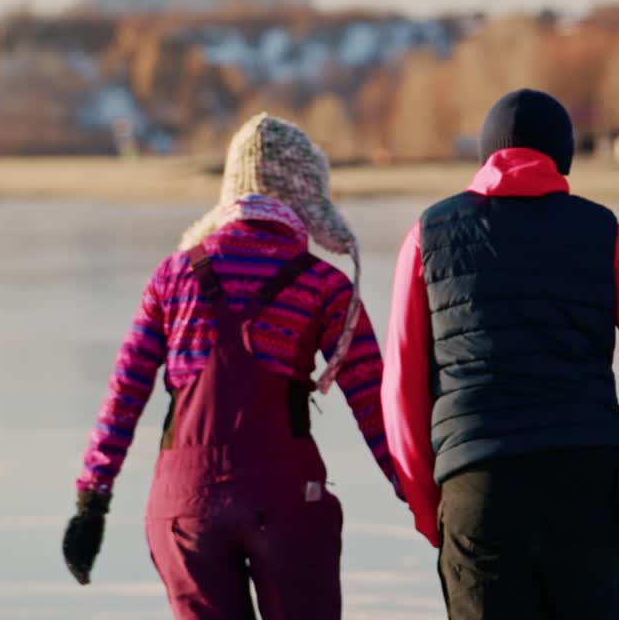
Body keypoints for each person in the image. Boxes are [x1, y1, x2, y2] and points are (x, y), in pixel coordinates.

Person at [381, 89, 619, 619]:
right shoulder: (601, 233)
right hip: (584, 489)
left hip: (480, 488)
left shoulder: (427, 235)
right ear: (563, 155)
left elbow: (400, 388)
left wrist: (431, 512)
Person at [62, 114, 401, 619]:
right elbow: (374, 399)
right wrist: (420, 493)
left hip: (185, 508)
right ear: (306, 193)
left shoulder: (173, 276)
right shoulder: (324, 284)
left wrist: (92, 502)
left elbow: (124, 394)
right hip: (286, 501)